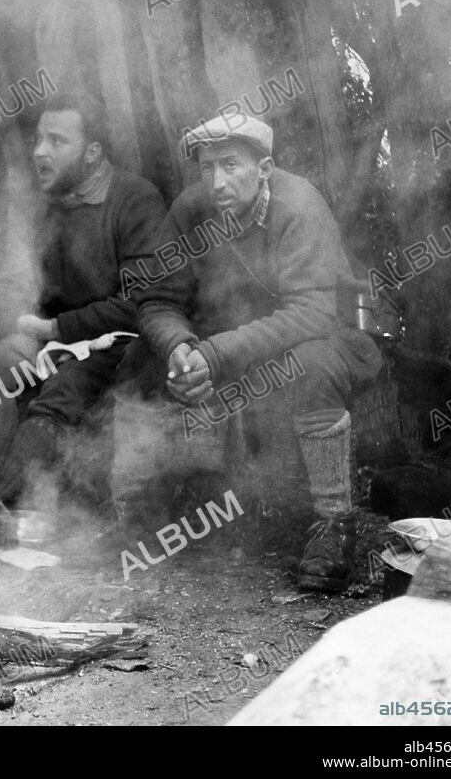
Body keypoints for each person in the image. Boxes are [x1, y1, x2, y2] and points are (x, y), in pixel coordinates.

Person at [132, 112, 382, 593]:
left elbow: (312, 312)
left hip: (321, 336)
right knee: (142, 362)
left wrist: (215, 354)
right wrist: (181, 350)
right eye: (207, 169)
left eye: (231, 165)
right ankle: (164, 504)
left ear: (264, 167)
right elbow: (158, 300)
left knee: (312, 365)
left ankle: (335, 523)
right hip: (234, 346)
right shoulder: (191, 210)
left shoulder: (299, 205)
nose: (217, 182)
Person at [0, 91, 166, 525]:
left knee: (63, 389)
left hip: (120, 343)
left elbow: (141, 302)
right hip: (53, 337)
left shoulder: (136, 201)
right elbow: (21, 279)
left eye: (57, 141)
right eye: (39, 139)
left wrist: (57, 328)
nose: (40, 151)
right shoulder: (42, 203)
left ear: (93, 153)